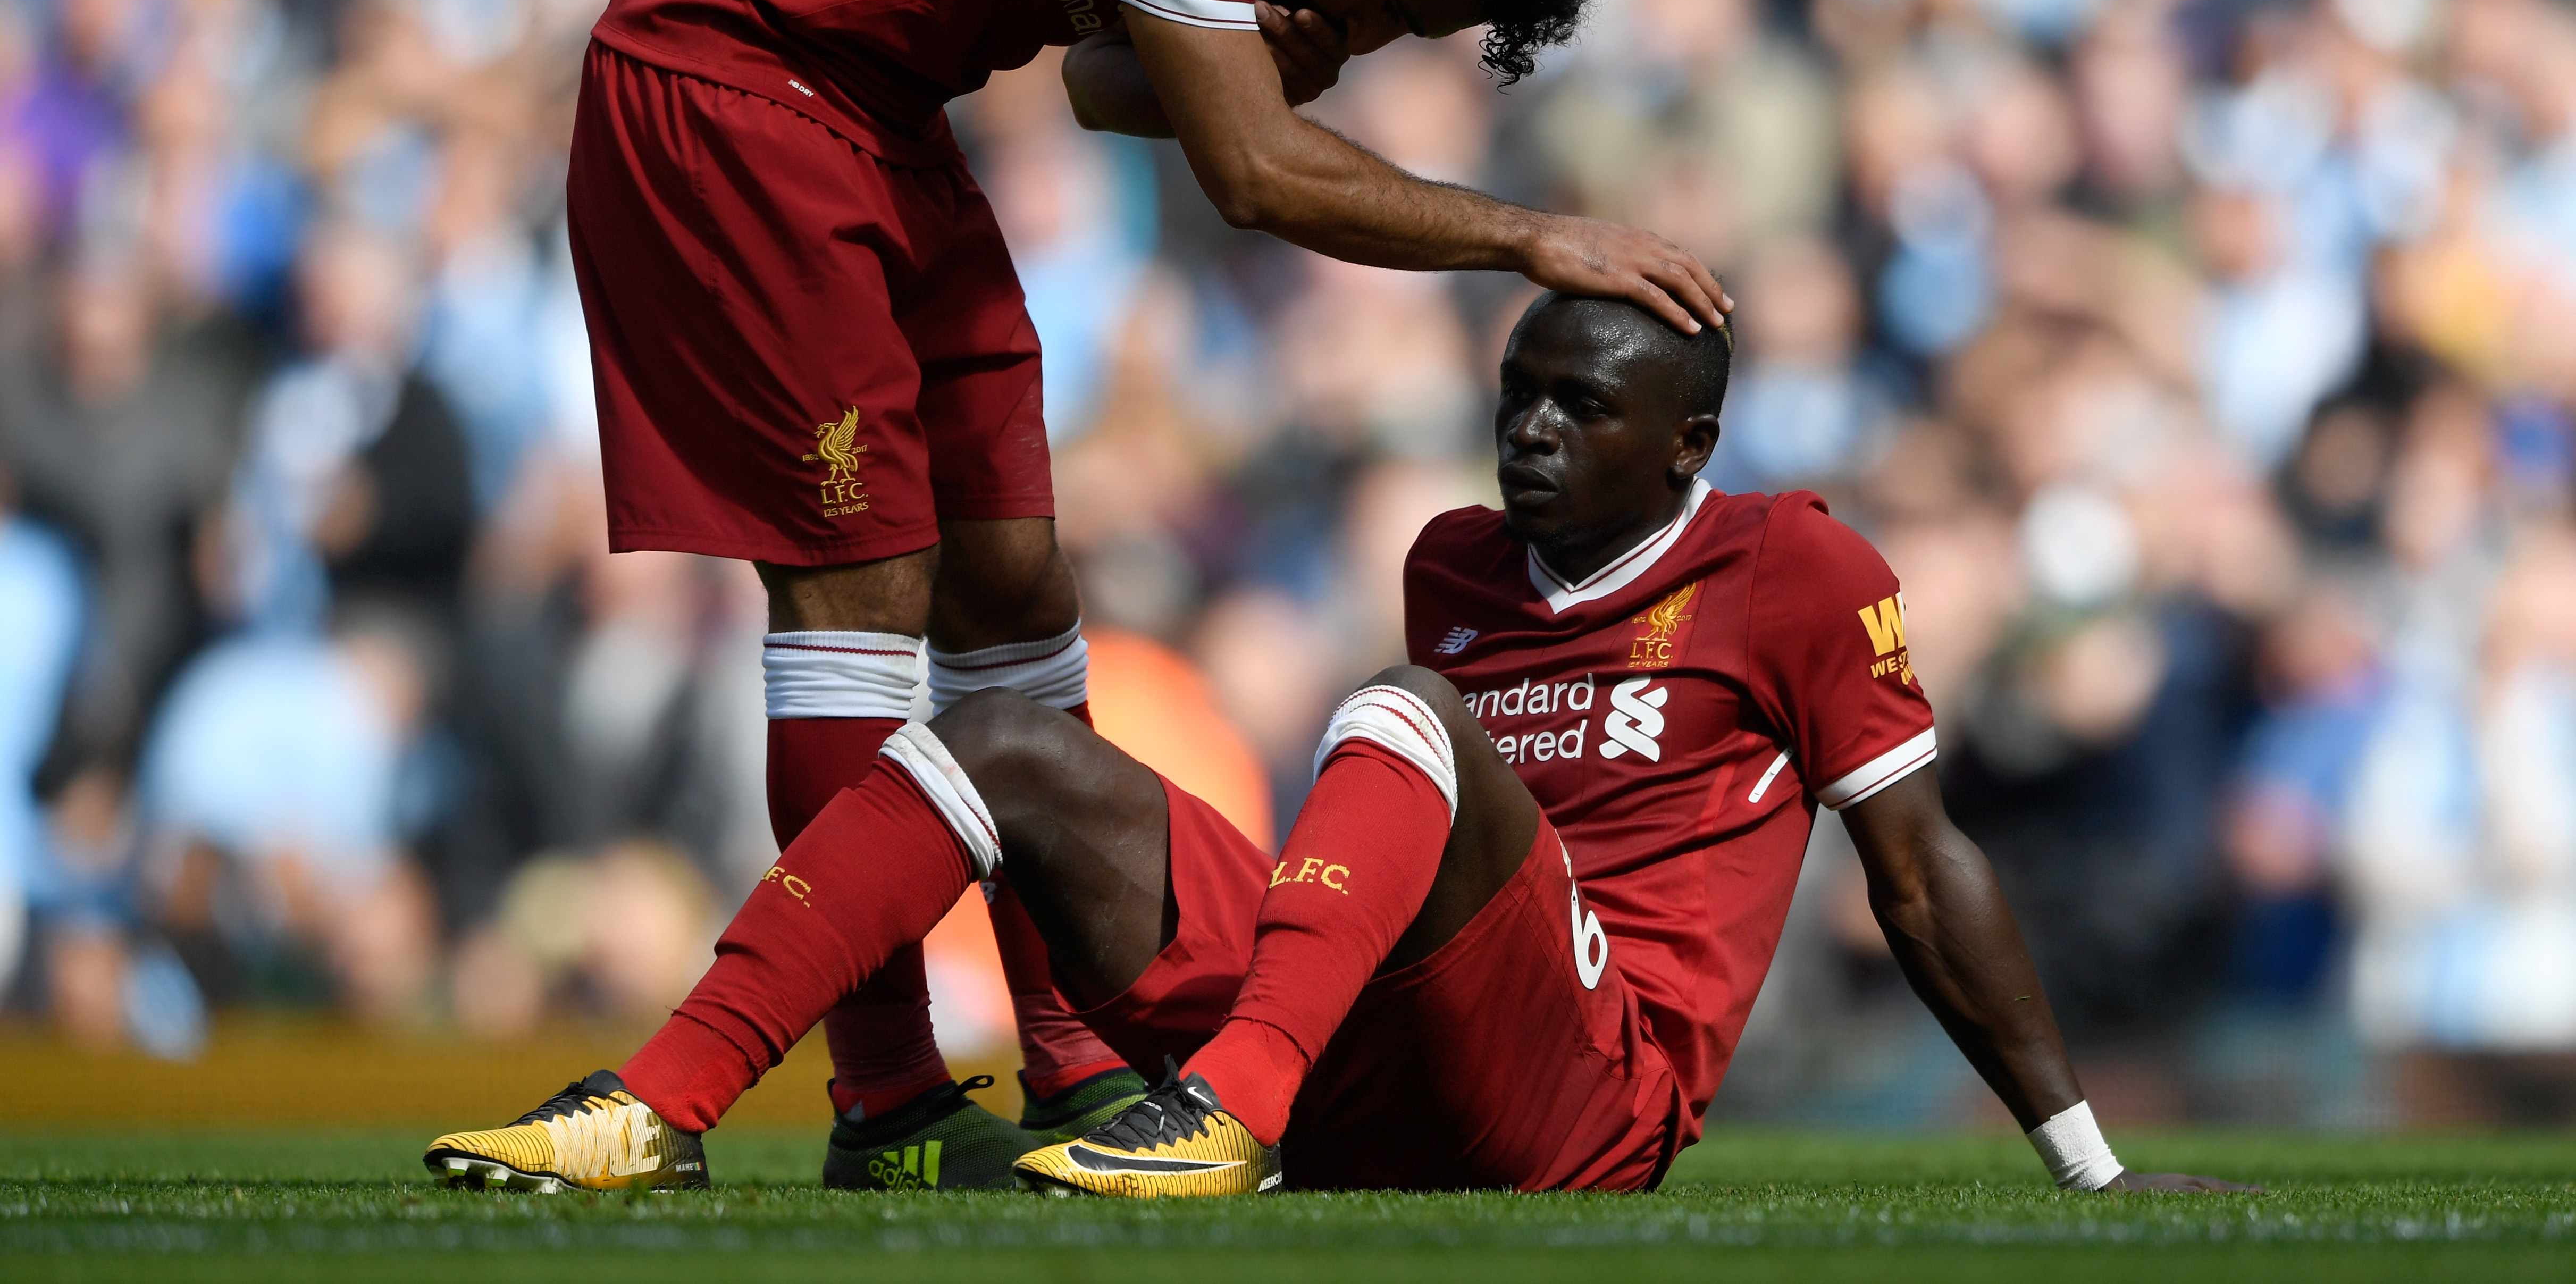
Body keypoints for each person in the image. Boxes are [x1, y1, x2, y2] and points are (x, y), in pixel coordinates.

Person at [564, 0, 1729, 1185]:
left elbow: (1106, 83)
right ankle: (889, 1095)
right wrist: (1526, 236)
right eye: (1388, 6)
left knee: (1017, 590)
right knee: (860, 597)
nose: (1364, 38)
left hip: (885, 117)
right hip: (738, 93)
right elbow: (1252, 176)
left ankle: (1072, 1062)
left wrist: (1248, 56)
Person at [422, 293, 2245, 1198]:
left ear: (1682, 445)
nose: (1529, 434)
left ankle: (1219, 1114)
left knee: (1403, 716)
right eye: (1517, 394)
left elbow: (1921, 870)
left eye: (1581, 408)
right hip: (1385, 1053)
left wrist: (2084, 1160)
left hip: (1593, 1090)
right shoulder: (1452, 561)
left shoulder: (1795, 565)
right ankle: (655, 1104)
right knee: (1002, 736)